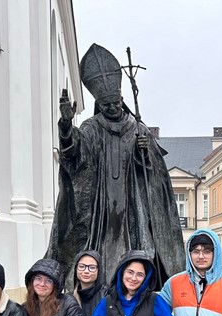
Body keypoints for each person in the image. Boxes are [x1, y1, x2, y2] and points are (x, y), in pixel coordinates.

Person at [46, 43, 184, 285]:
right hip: (100, 209)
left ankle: (138, 286)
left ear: (121, 99)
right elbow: (74, 154)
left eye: (115, 103)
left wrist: (144, 154)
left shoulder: (138, 129)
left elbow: (155, 177)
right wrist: (66, 127)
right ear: (99, 104)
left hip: (132, 207)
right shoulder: (91, 127)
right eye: (106, 105)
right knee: (99, 251)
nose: (111, 108)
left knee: (137, 250)